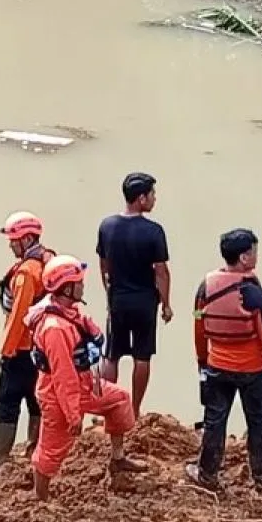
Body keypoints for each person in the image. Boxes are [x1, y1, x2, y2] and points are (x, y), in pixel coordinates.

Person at [26, 254, 149, 500]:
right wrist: (73, 414)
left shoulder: (68, 312)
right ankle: (40, 497)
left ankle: (118, 460)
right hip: (58, 395)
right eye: (79, 282)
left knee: (120, 400)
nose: (83, 285)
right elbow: (63, 375)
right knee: (53, 447)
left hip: (84, 384)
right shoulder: (55, 329)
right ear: (66, 287)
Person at [185, 229, 262, 490]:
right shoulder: (256, 295)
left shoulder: (205, 288)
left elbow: (198, 323)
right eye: (254, 251)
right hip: (252, 371)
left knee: (214, 422)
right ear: (244, 258)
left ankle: (207, 474)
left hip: (216, 367)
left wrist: (202, 360)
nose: (257, 256)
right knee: (258, 423)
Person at [0, 211, 56, 472]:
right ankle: (35, 445)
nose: (10, 245)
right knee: (35, 396)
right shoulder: (47, 260)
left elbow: (19, 315)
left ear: (27, 238)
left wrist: (7, 350)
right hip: (42, 344)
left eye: (14, 239)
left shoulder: (27, 273)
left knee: (7, 397)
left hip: (22, 347)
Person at [95, 172, 172, 417]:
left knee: (112, 355)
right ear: (141, 198)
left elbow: (103, 265)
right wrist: (166, 304)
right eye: (152, 195)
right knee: (142, 355)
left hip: (118, 298)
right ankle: (134, 410)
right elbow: (161, 272)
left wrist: (109, 292)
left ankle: (110, 408)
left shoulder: (107, 226)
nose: (154, 199)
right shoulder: (154, 231)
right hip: (145, 301)